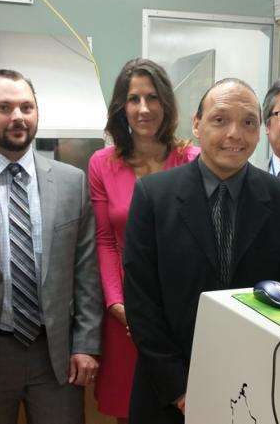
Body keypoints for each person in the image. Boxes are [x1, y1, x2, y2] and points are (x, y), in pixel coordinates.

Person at [123, 78, 280, 424]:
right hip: (166, 390)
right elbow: (141, 302)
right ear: (196, 124)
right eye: (220, 119)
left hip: (255, 388)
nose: (235, 134)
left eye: (248, 122)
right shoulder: (153, 195)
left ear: (261, 129)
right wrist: (178, 389)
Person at [0, 69, 103, 424]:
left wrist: (86, 343)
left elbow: (86, 272)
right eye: (4, 107)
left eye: (26, 107)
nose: (17, 117)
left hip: (54, 353)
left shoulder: (72, 183)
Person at [88, 58, 199, 423]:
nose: (144, 108)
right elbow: (104, 241)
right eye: (134, 99)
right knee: (131, 412)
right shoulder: (102, 164)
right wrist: (119, 305)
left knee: (188, 406)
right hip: (127, 318)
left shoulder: (191, 159)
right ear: (122, 106)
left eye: (152, 98)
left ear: (166, 104)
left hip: (179, 312)